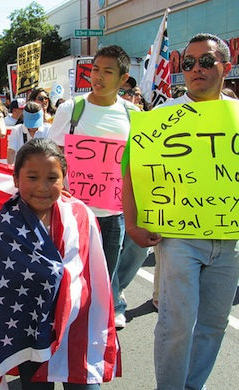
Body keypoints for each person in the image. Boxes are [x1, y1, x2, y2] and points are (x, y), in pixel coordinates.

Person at [122, 33, 238, 390]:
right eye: (189, 63)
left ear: (226, 67)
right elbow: (130, 170)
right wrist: (132, 222)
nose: (196, 69)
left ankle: (193, 385)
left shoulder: (236, 114)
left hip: (229, 239)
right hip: (179, 237)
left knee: (214, 323)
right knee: (177, 322)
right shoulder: (161, 116)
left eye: (206, 61)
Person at [0, 138, 117, 390]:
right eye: (32, 177)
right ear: (16, 179)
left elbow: (96, 274)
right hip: (28, 329)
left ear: (64, 179)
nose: (42, 187)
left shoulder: (81, 215)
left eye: (52, 178)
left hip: (77, 327)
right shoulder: (7, 223)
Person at [49, 45, 139, 329]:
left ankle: (100, 323)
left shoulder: (134, 115)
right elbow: (52, 155)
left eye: (107, 71)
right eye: (95, 69)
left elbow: (138, 162)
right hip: (73, 211)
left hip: (113, 213)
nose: (98, 77)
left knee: (104, 272)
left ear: (123, 79)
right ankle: (66, 322)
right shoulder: (71, 109)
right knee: (67, 272)